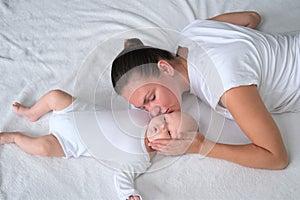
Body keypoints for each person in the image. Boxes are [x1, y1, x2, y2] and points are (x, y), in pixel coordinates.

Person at [111, 11, 300, 170]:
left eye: (151, 98)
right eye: (143, 108)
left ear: (166, 68)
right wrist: (247, 55)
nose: (153, 111)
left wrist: (201, 146)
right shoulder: (191, 32)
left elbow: (276, 157)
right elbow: (252, 17)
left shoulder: (226, 84)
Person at [0, 89, 199, 200]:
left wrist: (129, 194)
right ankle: (33, 112)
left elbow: (123, 176)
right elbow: (134, 99)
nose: (161, 127)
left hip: (68, 143)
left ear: (171, 148)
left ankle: (15, 138)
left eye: (170, 132)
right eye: (165, 119)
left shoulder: (142, 158)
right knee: (55, 96)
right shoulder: (144, 115)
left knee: (43, 148)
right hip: (75, 111)